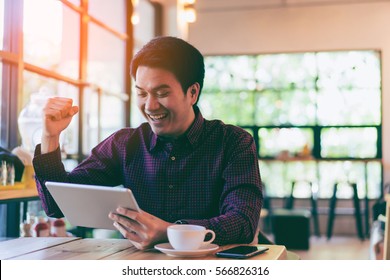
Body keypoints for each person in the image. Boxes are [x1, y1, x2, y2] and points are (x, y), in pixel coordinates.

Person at [33, 36, 263, 250]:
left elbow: (243, 223)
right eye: (142, 93)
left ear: (192, 93)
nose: (150, 106)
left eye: (161, 93)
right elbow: (56, 204)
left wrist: (171, 232)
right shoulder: (124, 144)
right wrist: (50, 137)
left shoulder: (234, 143)